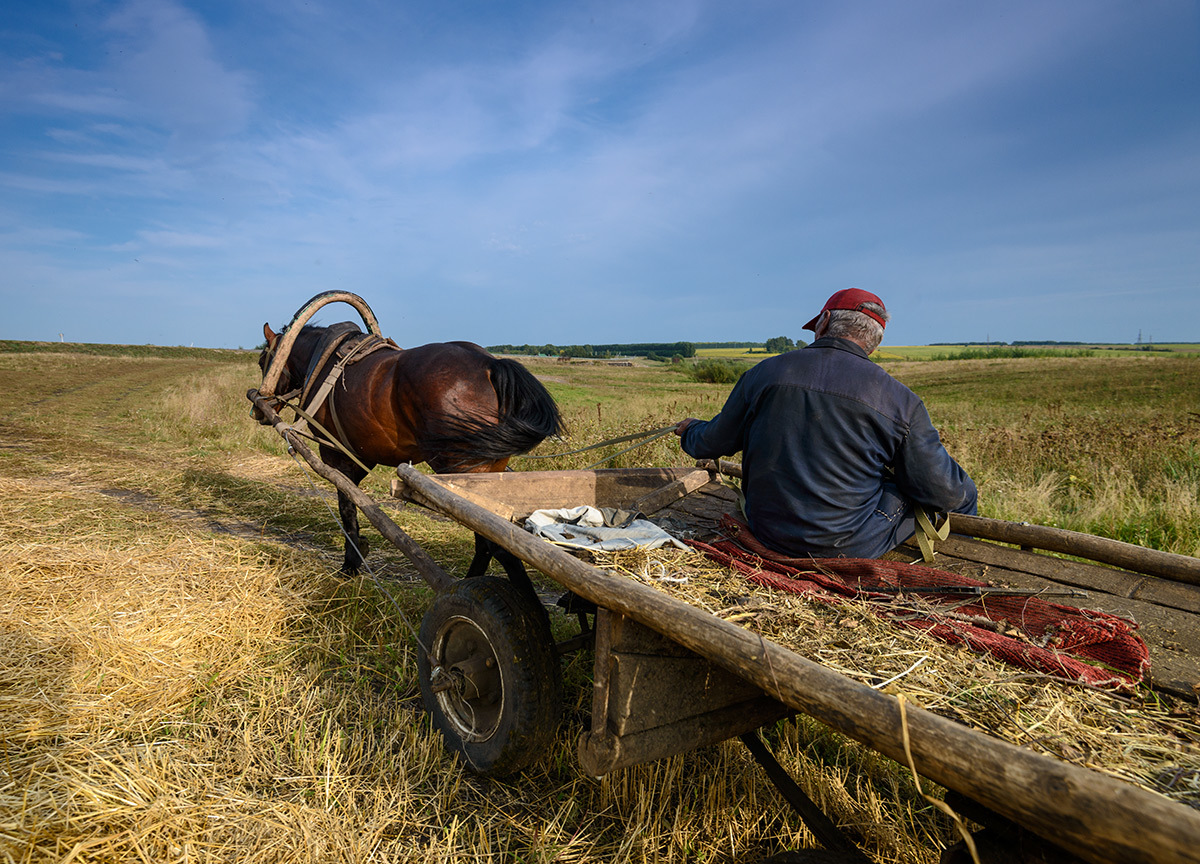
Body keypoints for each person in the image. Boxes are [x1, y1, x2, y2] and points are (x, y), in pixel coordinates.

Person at [674, 288, 977, 559]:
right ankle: (962, 561)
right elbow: (943, 493)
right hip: (846, 546)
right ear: (874, 341)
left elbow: (712, 442)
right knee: (950, 491)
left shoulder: (763, 373)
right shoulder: (900, 401)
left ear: (824, 321)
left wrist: (690, 431)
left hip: (766, 529)